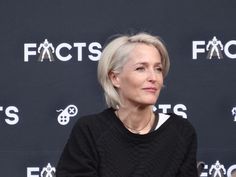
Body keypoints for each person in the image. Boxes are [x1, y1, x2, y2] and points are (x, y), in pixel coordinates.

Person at [56, 32, 198, 177]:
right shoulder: (90, 131)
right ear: (115, 78)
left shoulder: (180, 132)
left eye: (158, 69)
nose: (153, 78)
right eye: (141, 68)